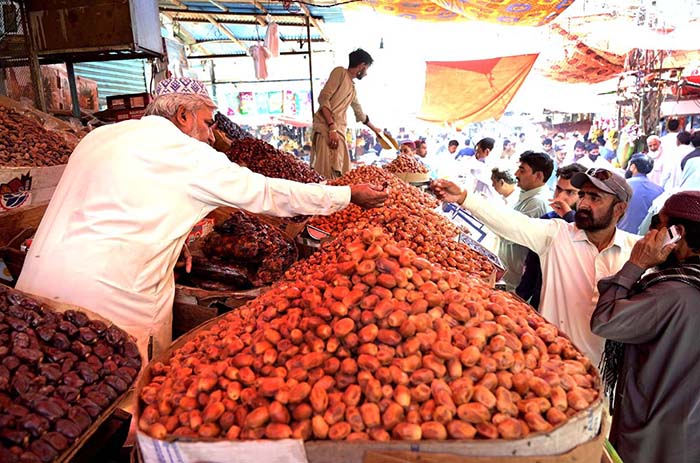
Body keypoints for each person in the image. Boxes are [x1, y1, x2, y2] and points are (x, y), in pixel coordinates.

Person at [16, 77, 388, 361]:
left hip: (34, 288)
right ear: (183, 116)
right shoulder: (185, 152)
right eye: (209, 123)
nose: (213, 136)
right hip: (107, 304)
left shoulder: (101, 136)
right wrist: (347, 194)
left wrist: (171, 243)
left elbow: (117, 209)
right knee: (119, 403)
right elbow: (267, 193)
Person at [431, 168, 637, 365]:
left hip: (604, 373)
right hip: (551, 362)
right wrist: (464, 198)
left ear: (619, 209)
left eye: (595, 198)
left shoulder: (635, 253)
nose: (583, 203)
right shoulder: (557, 234)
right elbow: (513, 223)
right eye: (583, 195)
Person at [591, 191, 700, 463]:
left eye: (657, 223)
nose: (652, 231)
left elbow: (605, 320)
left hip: (650, 433)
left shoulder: (673, 293)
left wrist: (636, 264)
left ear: (677, 232)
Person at [516, 163, 586, 309]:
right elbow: (532, 268)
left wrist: (569, 216)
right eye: (558, 189)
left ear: (583, 196)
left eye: (570, 192)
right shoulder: (547, 220)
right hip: (539, 302)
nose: (560, 197)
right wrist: (518, 299)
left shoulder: (590, 227)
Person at [310, 49, 382, 179]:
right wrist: (332, 127)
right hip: (328, 130)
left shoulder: (352, 88)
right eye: (366, 69)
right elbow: (323, 98)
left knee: (341, 173)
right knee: (326, 174)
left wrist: (375, 130)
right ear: (361, 66)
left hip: (339, 133)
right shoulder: (340, 73)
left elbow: (360, 113)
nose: (366, 74)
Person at [497, 151, 553, 291]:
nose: (516, 174)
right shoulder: (524, 195)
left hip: (516, 283)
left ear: (538, 176)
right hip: (507, 274)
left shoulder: (537, 203)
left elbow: (510, 233)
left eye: (522, 170)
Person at [618, 153, 664, 234]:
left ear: (632, 167)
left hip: (620, 234)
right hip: (643, 237)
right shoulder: (659, 190)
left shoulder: (622, 185)